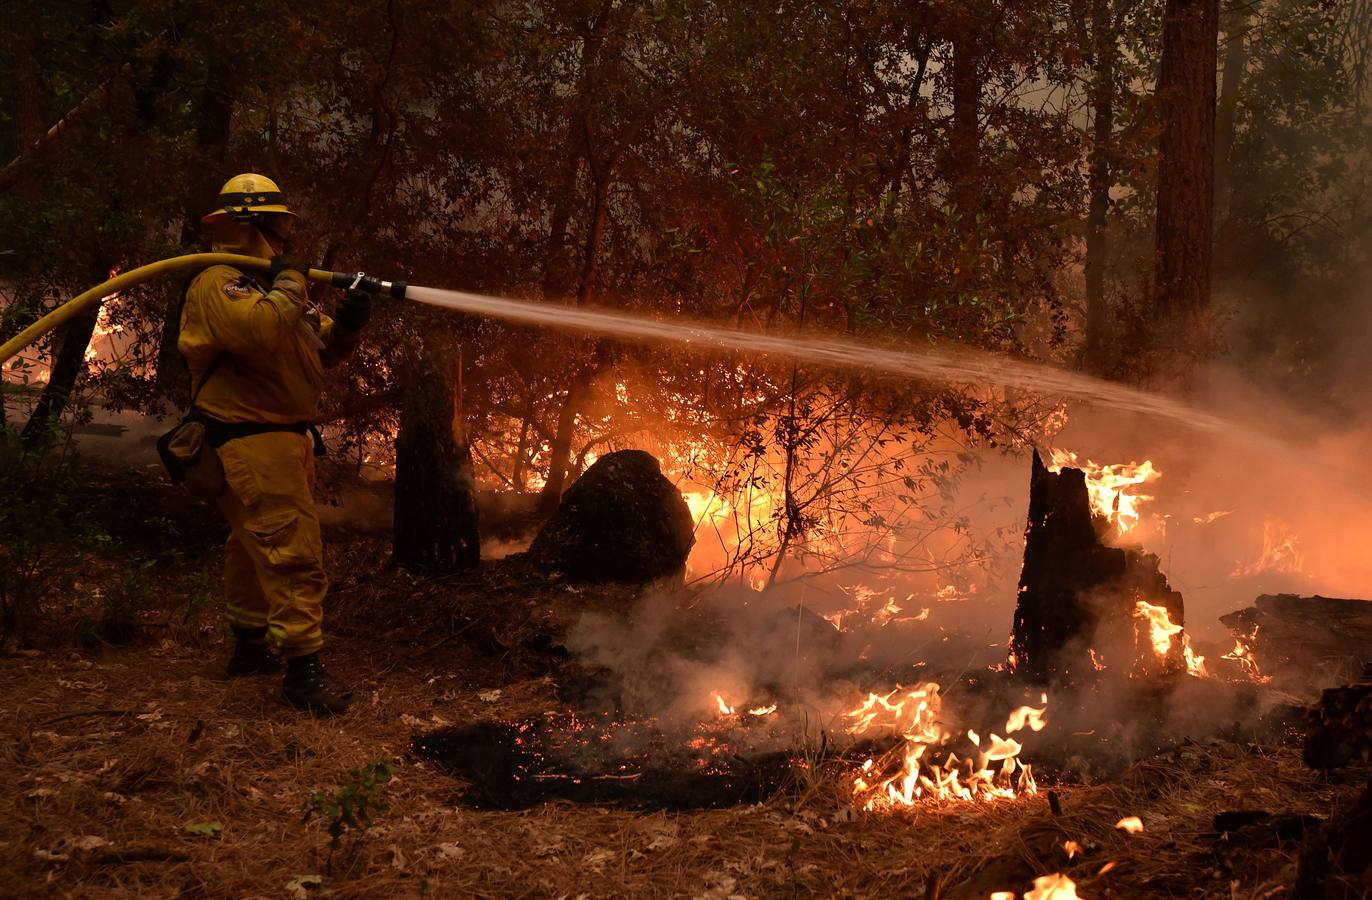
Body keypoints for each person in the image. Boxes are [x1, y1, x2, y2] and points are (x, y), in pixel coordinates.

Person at [179, 173, 370, 714]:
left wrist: (350, 326)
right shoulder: (218, 282)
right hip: (249, 440)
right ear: (254, 225)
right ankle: (304, 673)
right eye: (279, 225)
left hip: (276, 441)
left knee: (250, 545)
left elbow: (321, 349)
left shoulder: (270, 287)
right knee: (292, 552)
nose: (286, 238)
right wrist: (290, 285)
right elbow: (258, 332)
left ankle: (248, 647)